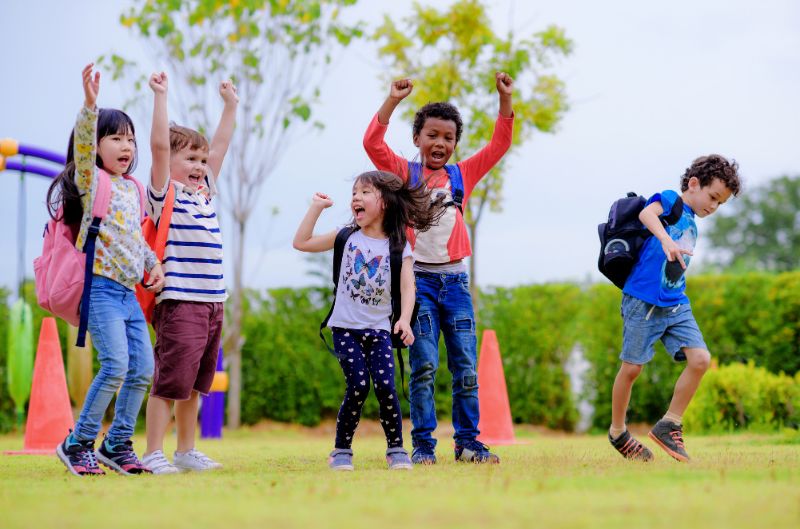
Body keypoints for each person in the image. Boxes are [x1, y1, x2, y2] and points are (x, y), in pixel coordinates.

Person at [362, 73, 514, 464]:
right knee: (424, 365)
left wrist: (504, 99)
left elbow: (500, 144)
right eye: (432, 135)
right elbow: (372, 143)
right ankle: (424, 447)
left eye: (448, 137)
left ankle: (467, 443)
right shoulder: (405, 175)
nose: (440, 143)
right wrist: (392, 101)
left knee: (465, 366)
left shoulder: (462, 175)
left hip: (456, 283)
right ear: (417, 139)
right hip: (420, 285)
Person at [54, 63, 165, 476]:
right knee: (116, 365)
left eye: (131, 140)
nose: (126, 147)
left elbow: (136, 240)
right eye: (116, 138)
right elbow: (82, 147)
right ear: (98, 146)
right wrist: (89, 106)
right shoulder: (91, 180)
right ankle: (78, 442)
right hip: (99, 289)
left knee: (143, 369)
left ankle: (117, 443)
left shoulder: (133, 189)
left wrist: (154, 266)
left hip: (127, 293)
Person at [293, 171, 442, 471]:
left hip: (379, 330)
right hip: (345, 329)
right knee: (358, 386)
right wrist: (316, 207)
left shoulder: (399, 247)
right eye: (353, 194)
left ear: (385, 202)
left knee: (386, 386)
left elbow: (408, 287)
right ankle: (341, 450)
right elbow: (302, 242)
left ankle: (396, 449)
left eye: (364, 193)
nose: (355, 199)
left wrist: (404, 320)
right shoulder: (345, 237)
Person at [609, 154, 741, 462]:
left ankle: (670, 424)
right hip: (642, 301)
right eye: (712, 197)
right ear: (694, 184)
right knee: (632, 369)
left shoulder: (693, 221)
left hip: (676, 303)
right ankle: (617, 431)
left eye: (720, 203)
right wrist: (666, 240)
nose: (713, 206)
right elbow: (646, 215)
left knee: (700, 360)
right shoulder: (671, 201)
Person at [140, 71, 238, 474]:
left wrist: (231, 106)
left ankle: (185, 451)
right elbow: (160, 147)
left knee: (196, 384)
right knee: (169, 382)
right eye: (191, 160)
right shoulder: (165, 195)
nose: (200, 165)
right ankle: (152, 453)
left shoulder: (204, 192)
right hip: (180, 302)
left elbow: (220, 145)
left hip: (212, 302)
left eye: (201, 160)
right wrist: (162, 96)